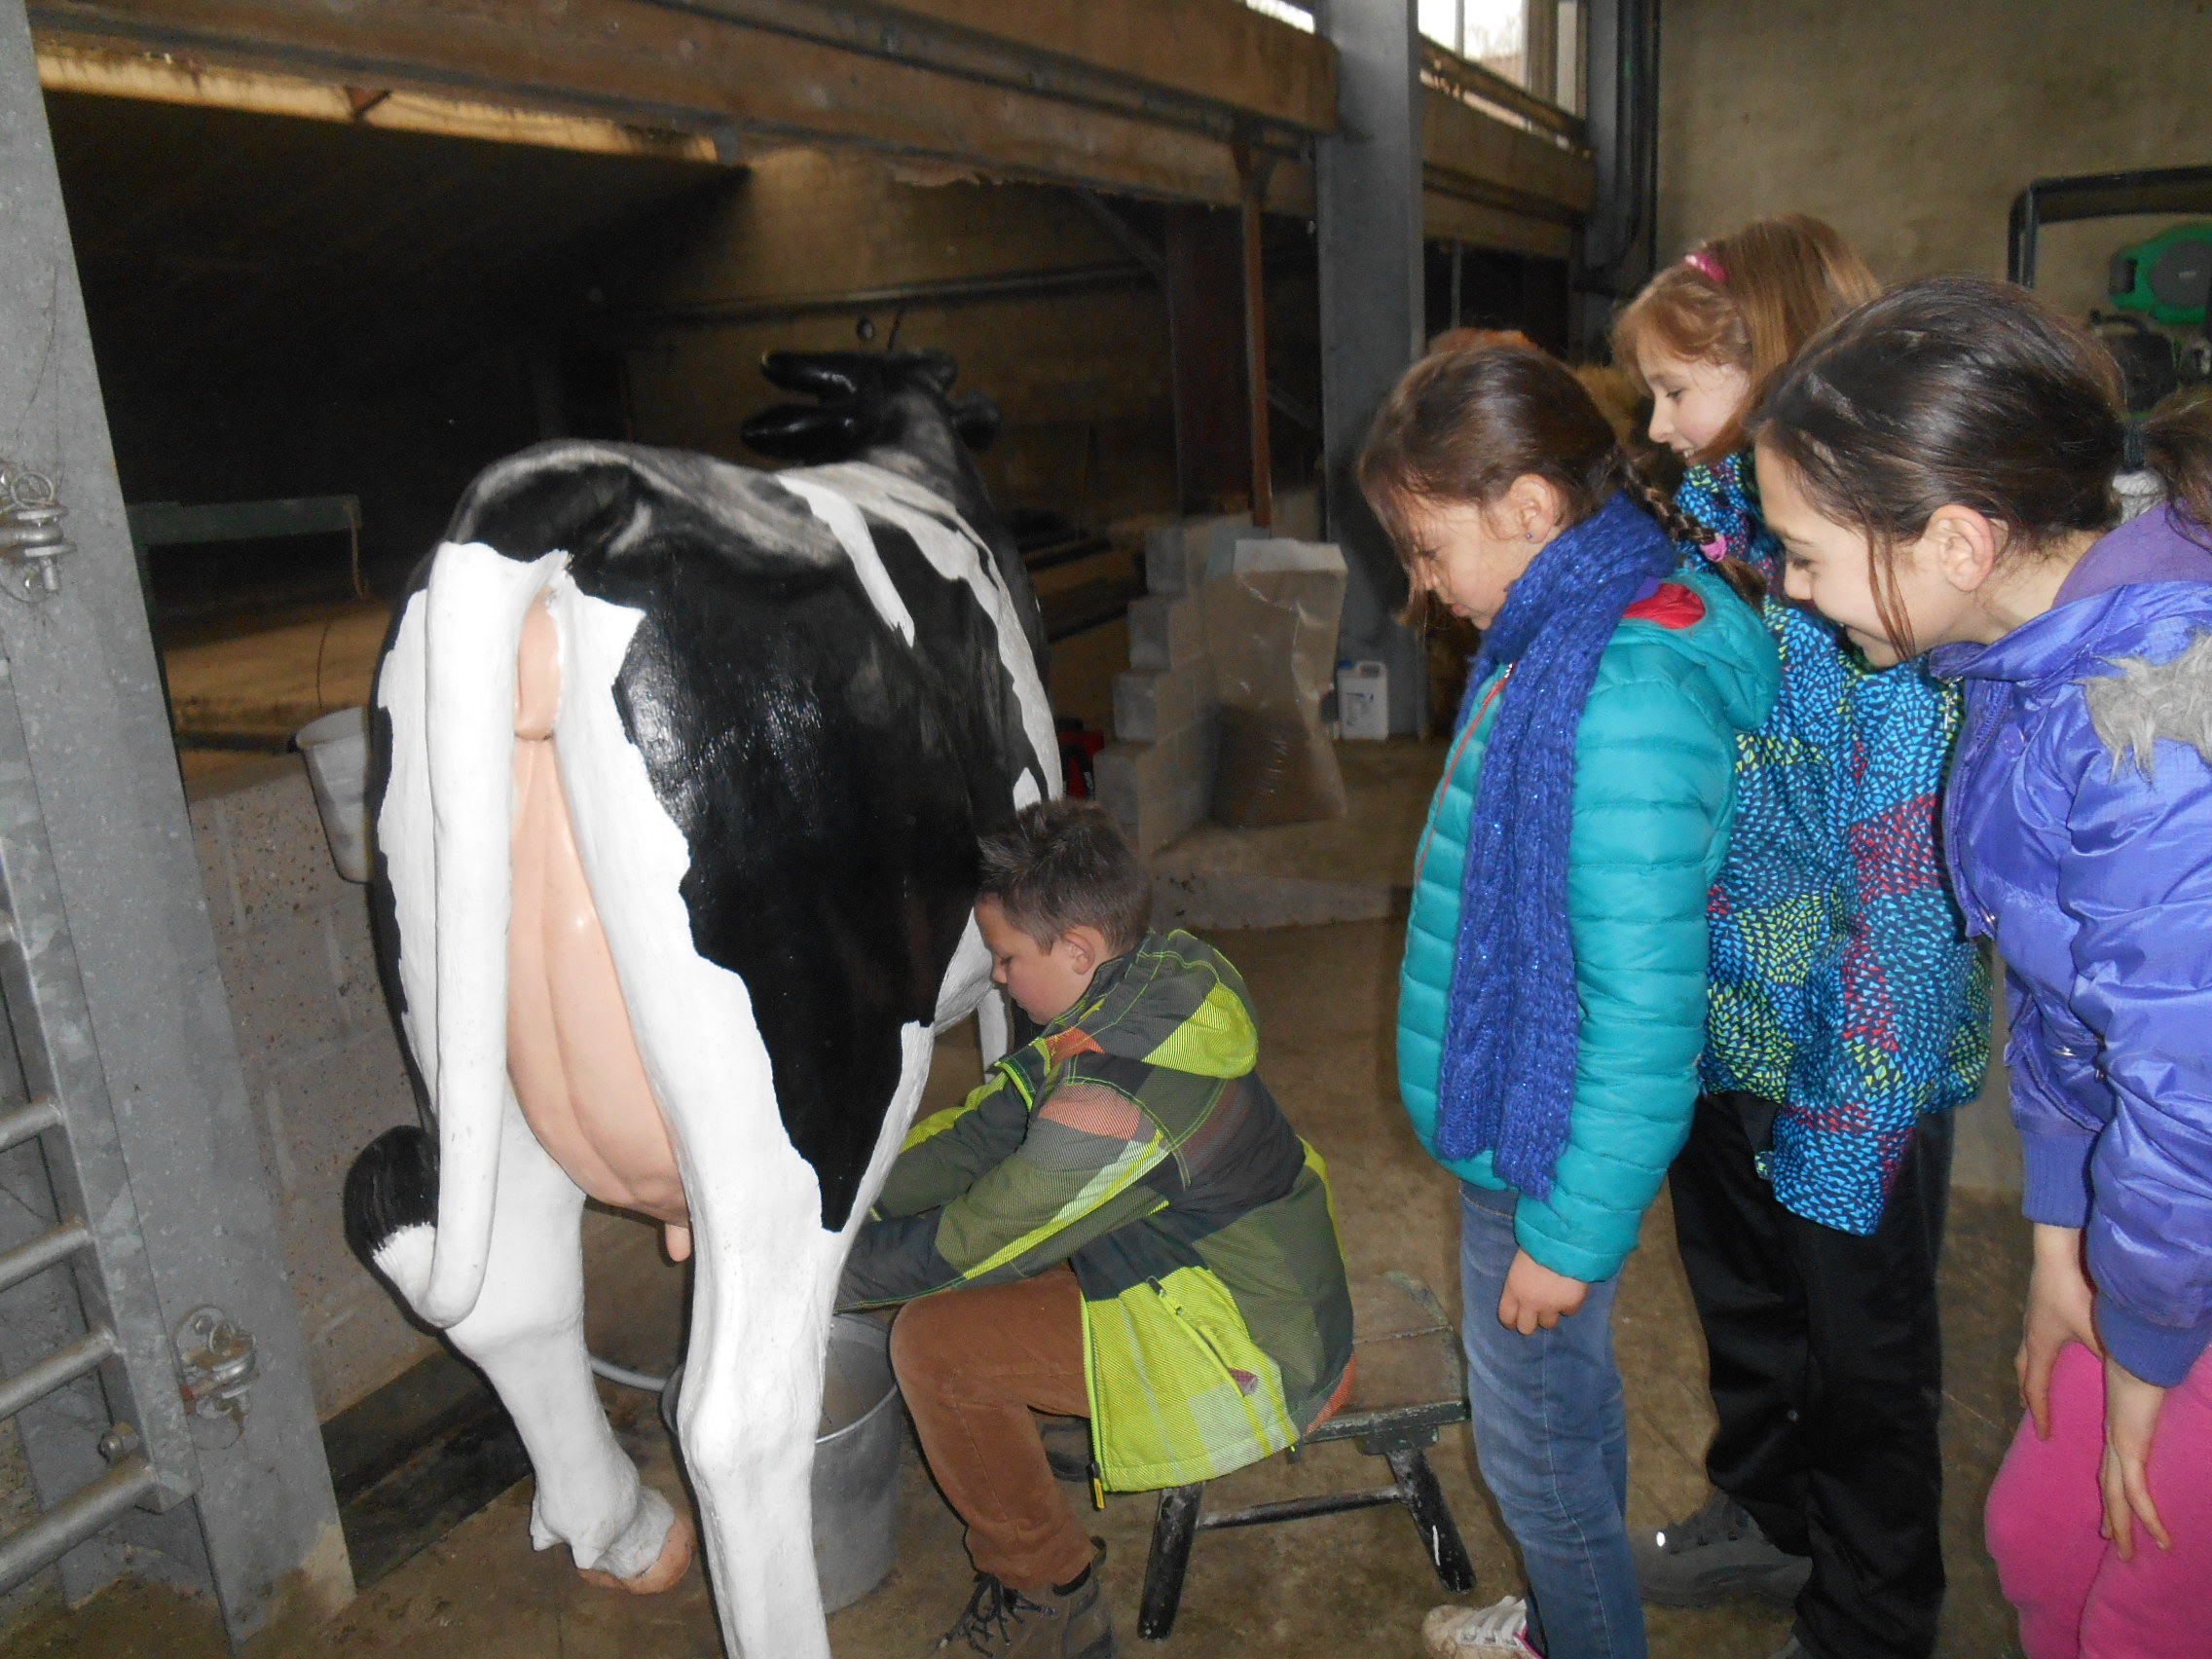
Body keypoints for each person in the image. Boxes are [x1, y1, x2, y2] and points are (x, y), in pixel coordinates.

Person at [1751, 274, 2212, 1659]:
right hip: (2157, 1225)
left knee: (2138, 1593)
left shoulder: (2155, 725)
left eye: (1808, 550)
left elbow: (2188, 1087)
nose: (1789, 583)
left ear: (1954, 539)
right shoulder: (2016, 668)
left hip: (2195, 1216)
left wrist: (2143, 1345)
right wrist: (2060, 1239)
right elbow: (2066, 1006)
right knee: (2037, 1538)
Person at [1609, 219, 1992, 1659]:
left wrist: (1839, 1138)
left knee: (1863, 1361)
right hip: (1734, 1021)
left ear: (1772, 369)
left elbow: (1902, 906)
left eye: (1676, 390)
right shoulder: (1720, 538)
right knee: (1753, 1316)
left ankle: (1870, 1618)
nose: (1656, 425)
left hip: (1855, 1062)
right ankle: (1765, 1520)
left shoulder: (1886, 602)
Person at [1364, 342, 1781, 1659]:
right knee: (1562, 1419)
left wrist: (1573, 1233)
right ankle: (1560, 1620)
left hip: (1543, 1160)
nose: (1419, 590)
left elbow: (1646, 1014)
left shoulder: (1615, 692)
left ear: (1531, 512)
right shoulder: (1565, 635)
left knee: (1538, 1460)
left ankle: (1580, 1632)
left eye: (1428, 551)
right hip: (1525, 1136)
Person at [838, 798, 1354, 1659]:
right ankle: (1042, 1443)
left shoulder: (1112, 1104)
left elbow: (975, 1243)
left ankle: (1050, 1593)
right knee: (1000, 1258)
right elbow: (982, 1133)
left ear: (1075, 951)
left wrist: (815, 1274)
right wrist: (843, 1201)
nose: (998, 979)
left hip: (1256, 1353)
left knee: (934, 1343)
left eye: (1006, 959)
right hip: (1261, 1281)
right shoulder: (1144, 988)